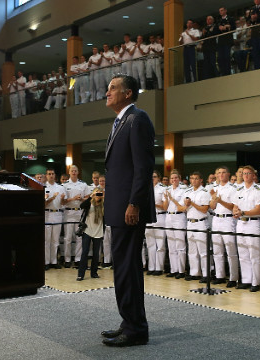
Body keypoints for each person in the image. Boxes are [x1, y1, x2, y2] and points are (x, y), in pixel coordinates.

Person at [102, 74, 154, 347]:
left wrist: (134, 203)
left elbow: (143, 168)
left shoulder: (137, 118)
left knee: (127, 269)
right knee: (121, 267)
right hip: (119, 207)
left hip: (129, 209)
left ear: (128, 93)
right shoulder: (121, 120)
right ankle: (128, 322)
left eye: (112, 88)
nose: (107, 92)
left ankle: (135, 329)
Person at [232, 165, 260, 291]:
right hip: (241, 223)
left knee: (254, 254)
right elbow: (235, 206)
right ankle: (246, 280)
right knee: (243, 254)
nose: (245, 176)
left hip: (253, 223)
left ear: (253, 175)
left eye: (248, 173)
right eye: (244, 173)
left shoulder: (258, 190)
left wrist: (243, 213)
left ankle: (255, 282)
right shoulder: (239, 190)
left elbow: (259, 209)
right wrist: (236, 212)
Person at [209, 166, 239, 286]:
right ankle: (219, 275)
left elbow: (233, 207)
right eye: (219, 173)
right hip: (216, 219)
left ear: (228, 174)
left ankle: (233, 277)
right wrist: (214, 199)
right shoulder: (214, 188)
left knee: (230, 250)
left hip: (228, 220)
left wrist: (220, 200)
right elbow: (212, 206)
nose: (221, 175)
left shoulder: (233, 188)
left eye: (223, 172)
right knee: (217, 250)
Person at [184, 172, 211, 281]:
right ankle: (195, 272)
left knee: (203, 251)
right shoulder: (188, 191)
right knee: (192, 250)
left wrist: (192, 204)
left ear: (201, 180)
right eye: (192, 178)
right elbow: (185, 208)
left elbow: (205, 209)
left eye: (196, 179)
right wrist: (186, 205)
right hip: (190, 222)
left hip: (201, 223)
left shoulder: (204, 192)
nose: (193, 180)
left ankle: (206, 274)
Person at [62, 165, 90, 267]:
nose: (74, 172)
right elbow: (63, 201)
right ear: (69, 172)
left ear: (78, 172)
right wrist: (73, 198)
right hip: (68, 213)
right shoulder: (64, 185)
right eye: (72, 171)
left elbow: (88, 198)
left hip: (79, 213)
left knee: (79, 238)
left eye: (75, 171)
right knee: (68, 238)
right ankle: (67, 259)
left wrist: (81, 199)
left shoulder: (83, 184)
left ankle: (78, 259)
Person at [76, 188, 104, 281]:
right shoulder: (89, 203)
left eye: (100, 194)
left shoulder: (104, 204)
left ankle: (94, 272)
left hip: (98, 231)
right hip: (87, 230)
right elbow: (82, 205)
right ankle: (81, 274)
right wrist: (90, 197)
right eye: (97, 193)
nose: (98, 195)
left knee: (96, 254)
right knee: (85, 252)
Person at [165, 170, 187, 279]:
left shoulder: (183, 190)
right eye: (172, 178)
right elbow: (165, 207)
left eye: (176, 178)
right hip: (169, 217)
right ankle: (173, 269)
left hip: (179, 217)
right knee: (171, 245)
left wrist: (172, 198)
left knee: (180, 245)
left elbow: (181, 207)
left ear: (179, 178)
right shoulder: (167, 189)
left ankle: (181, 270)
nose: (174, 180)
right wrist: (166, 199)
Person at [145, 170, 168, 276]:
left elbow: (164, 206)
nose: (152, 178)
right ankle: (151, 266)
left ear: (159, 178)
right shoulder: (145, 188)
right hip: (148, 218)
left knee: (160, 245)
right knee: (150, 245)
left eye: (154, 176)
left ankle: (159, 268)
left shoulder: (163, 189)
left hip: (160, 216)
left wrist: (153, 205)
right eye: (151, 176)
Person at [44, 168, 64, 270]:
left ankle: (54, 261)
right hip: (47, 214)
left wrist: (63, 199)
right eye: (49, 174)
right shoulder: (43, 187)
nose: (51, 175)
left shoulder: (60, 188)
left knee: (55, 240)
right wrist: (51, 197)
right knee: (47, 241)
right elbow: (43, 204)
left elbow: (63, 202)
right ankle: (46, 262)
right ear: (46, 176)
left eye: (53, 174)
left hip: (57, 215)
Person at [217, 8, 236, 76]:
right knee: (220, 57)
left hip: (227, 40)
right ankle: (222, 72)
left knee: (226, 56)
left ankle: (228, 72)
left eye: (222, 10)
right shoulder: (218, 20)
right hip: (221, 41)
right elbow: (216, 31)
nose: (221, 12)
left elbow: (234, 28)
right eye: (220, 11)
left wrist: (228, 26)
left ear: (225, 11)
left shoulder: (230, 18)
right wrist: (220, 28)